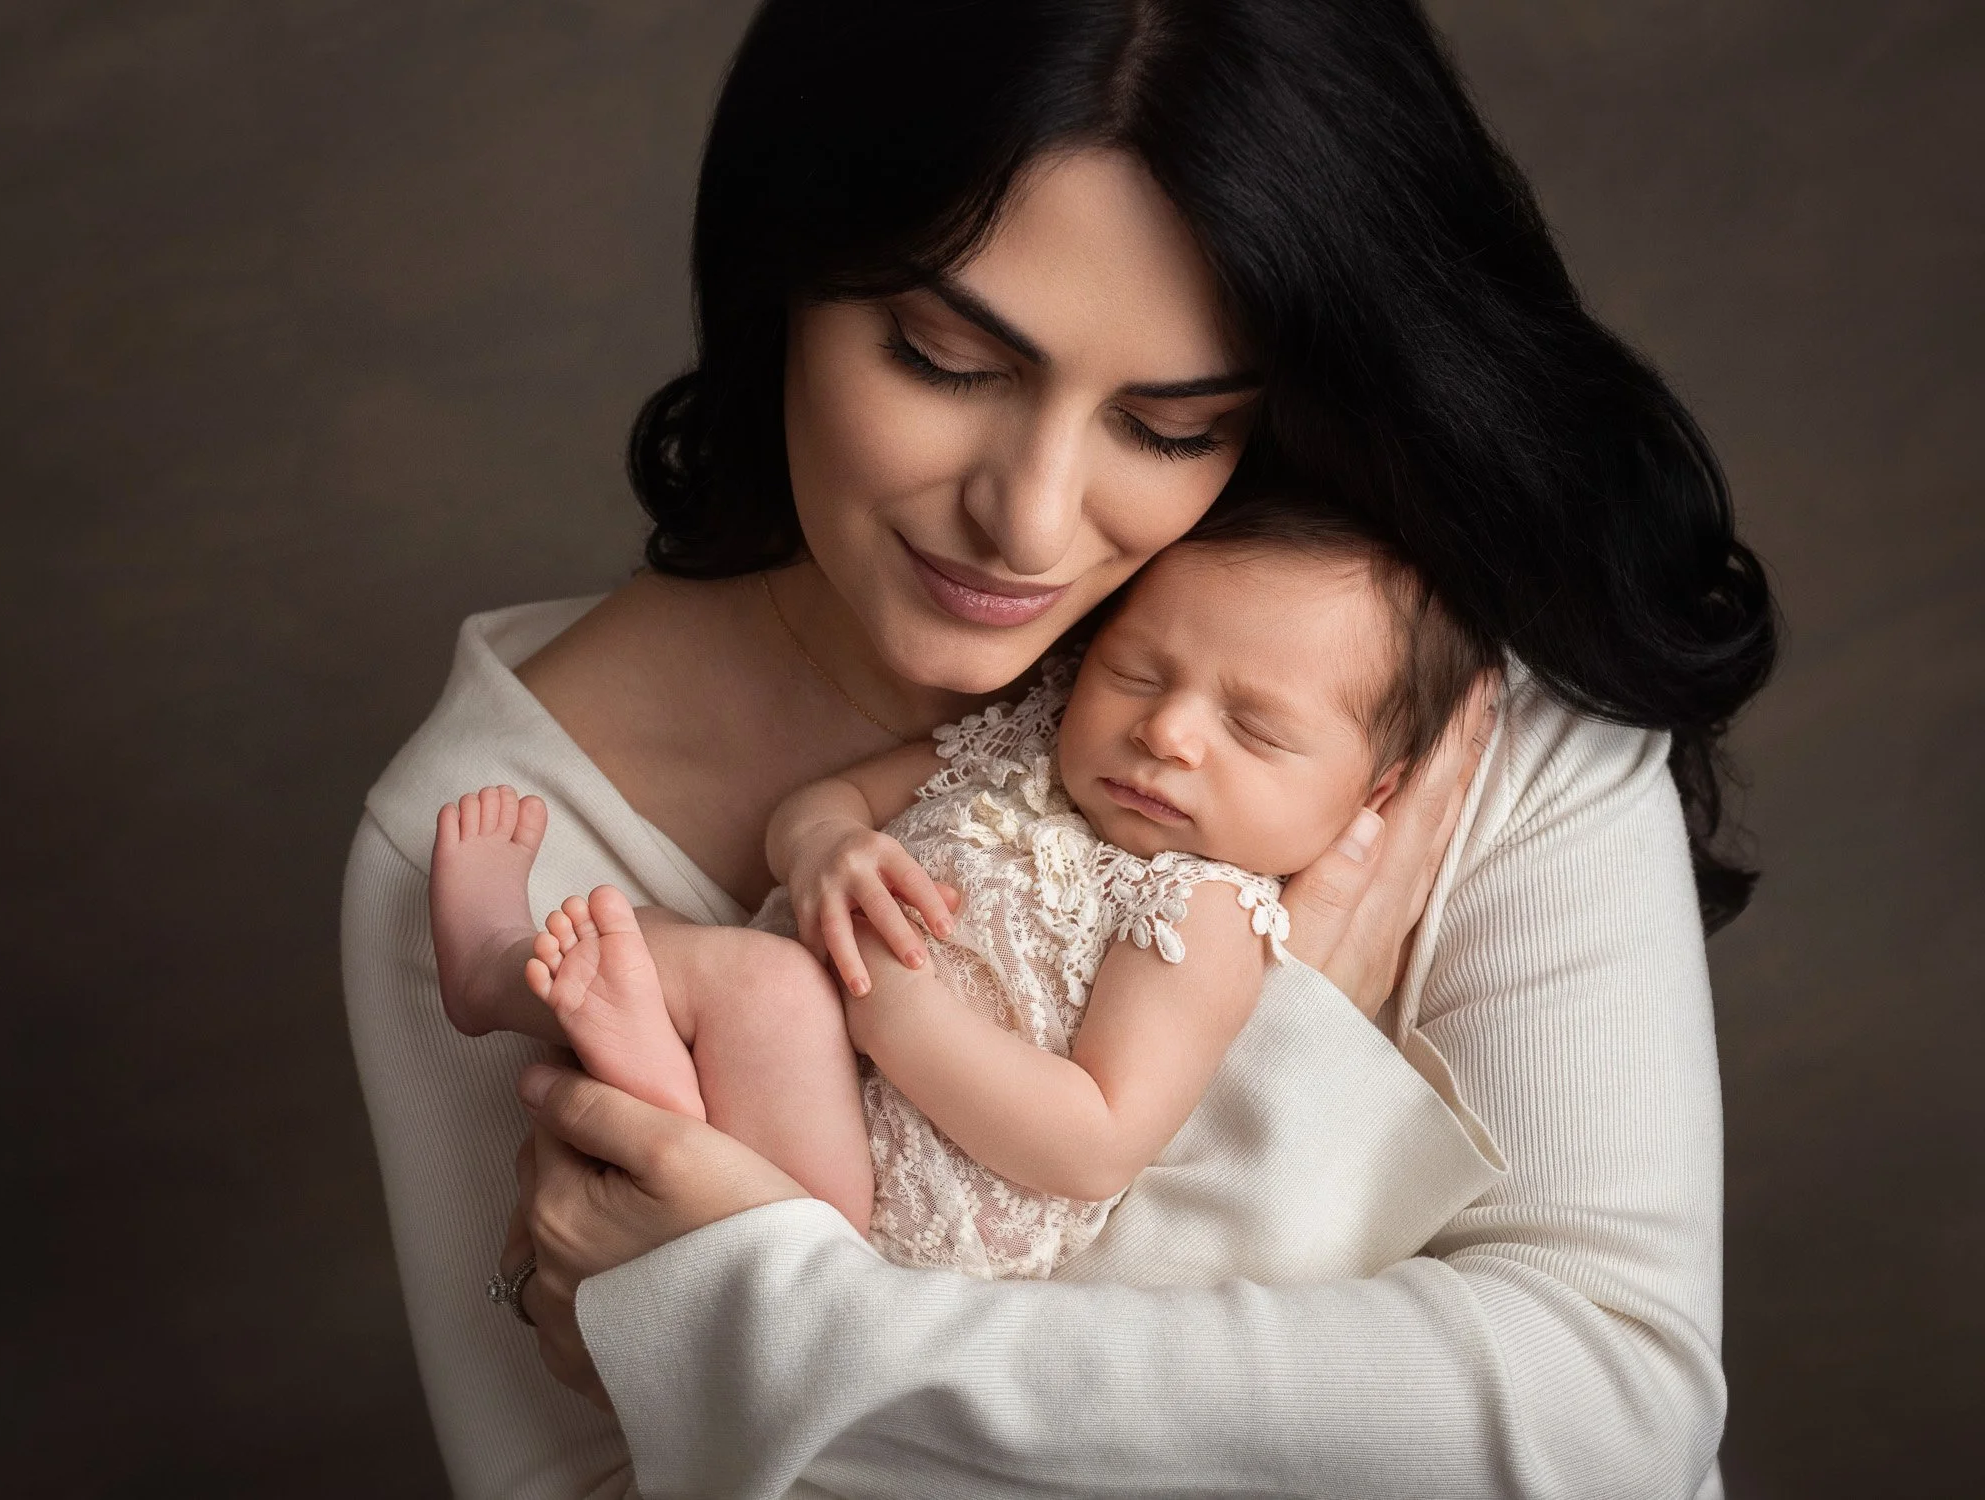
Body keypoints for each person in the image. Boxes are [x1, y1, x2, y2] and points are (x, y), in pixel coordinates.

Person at [341, 2, 1776, 1496]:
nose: (1028, 522)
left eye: (1169, 427)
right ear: (786, 273)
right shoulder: (485, 830)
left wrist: (758, 1335)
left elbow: (1614, 1427)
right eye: (944, 358)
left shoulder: (1449, 686)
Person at [426, 511, 1498, 1280]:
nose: (1166, 732)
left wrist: (891, 1013)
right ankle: (629, 1061)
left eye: (1253, 730)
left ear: (1375, 792)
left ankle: (494, 971)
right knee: (654, 939)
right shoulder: (1022, 743)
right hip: (806, 1083)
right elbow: (826, 797)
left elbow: (1094, 1141)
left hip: (893, 1207)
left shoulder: (1198, 913)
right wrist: (826, 847)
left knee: (755, 982)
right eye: (1134, 673)